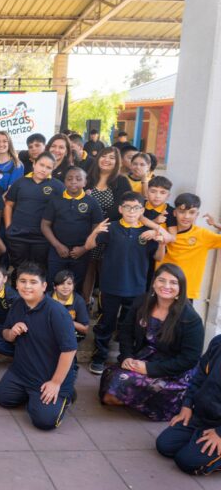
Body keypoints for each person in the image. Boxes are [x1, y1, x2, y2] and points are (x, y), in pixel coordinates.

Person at [100, 264, 203, 421]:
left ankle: (161, 403)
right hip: (144, 357)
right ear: (154, 283)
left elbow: (189, 359)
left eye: (173, 282)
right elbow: (126, 332)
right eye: (161, 280)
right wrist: (127, 356)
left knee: (119, 388)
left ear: (181, 288)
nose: (166, 286)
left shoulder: (191, 319)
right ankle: (142, 397)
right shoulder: (142, 302)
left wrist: (149, 369)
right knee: (109, 385)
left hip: (173, 370)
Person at [84, 192, 166, 374]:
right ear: (120, 209)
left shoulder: (147, 233)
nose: (131, 211)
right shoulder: (111, 228)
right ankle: (99, 357)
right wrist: (95, 231)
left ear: (141, 211)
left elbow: (158, 257)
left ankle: (126, 357)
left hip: (136, 287)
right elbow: (89, 246)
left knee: (130, 326)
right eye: (127, 207)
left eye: (136, 208)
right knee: (106, 322)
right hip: (110, 285)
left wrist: (161, 243)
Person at [0, 263, 77, 430]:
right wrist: (12, 332)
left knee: (45, 421)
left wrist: (55, 382)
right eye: (23, 281)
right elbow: (5, 334)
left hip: (49, 375)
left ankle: (65, 394)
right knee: (3, 399)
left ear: (44, 286)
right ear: (16, 284)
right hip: (22, 372)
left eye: (33, 282)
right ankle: (34, 396)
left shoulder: (56, 312)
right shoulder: (18, 304)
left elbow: (69, 350)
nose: (27, 286)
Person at [156, 334, 221, 475]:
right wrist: (187, 405)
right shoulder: (218, 341)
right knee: (165, 445)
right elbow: (200, 376)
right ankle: (199, 440)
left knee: (187, 461)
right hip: (203, 416)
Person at [40, 167, 103, 292]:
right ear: (64, 182)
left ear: (85, 182)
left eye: (78, 179)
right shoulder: (55, 201)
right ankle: (53, 310)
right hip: (57, 251)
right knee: (54, 283)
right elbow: (44, 225)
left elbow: (98, 229)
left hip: (80, 253)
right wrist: (57, 245)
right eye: (69, 179)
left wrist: (84, 248)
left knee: (75, 285)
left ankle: (72, 310)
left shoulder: (92, 202)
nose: (73, 181)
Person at [82, 147, 132, 301]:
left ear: (117, 162)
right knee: (87, 270)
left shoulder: (122, 181)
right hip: (86, 231)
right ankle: (84, 304)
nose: (107, 160)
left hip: (110, 233)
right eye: (104, 156)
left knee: (106, 272)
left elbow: (123, 206)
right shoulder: (87, 178)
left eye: (112, 157)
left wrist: (100, 223)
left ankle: (104, 309)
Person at [4, 152, 64, 273]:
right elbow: (8, 205)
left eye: (48, 167)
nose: (44, 169)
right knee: (19, 269)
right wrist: (8, 227)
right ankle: (17, 291)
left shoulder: (58, 186)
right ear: (34, 164)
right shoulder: (20, 182)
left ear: (53, 169)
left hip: (42, 237)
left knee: (39, 270)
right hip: (18, 235)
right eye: (41, 165)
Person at [160, 193, 221, 301]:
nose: (186, 216)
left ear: (197, 214)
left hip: (185, 293)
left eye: (192, 212)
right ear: (174, 213)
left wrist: (216, 225)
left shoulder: (202, 235)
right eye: (182, 211)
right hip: (161, 289)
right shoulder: (162, 229)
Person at [49, 270, 89, 344]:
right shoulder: (46, 299)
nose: (65, 287)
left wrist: (66, 320)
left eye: (69, 283)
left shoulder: (79, 301)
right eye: (61, 283)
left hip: (70, 335)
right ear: (54, 286)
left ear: (73, 286)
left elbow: (85, 329)